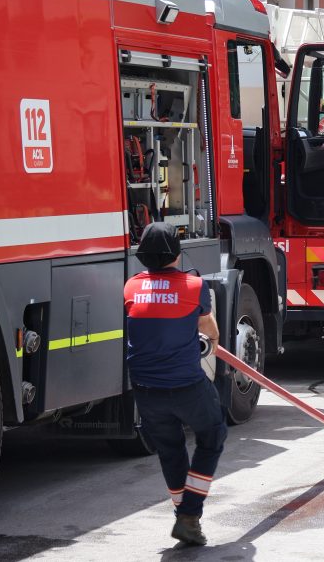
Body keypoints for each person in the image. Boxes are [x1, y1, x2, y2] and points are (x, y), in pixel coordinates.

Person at [123, 222, 225, 547]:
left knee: (170, 450)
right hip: (186, 386)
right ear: (177, 254)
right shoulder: (195, 287)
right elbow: (211, 333)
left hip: (145, 390)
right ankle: (189, 515)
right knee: (212, 435)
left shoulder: (130, 287)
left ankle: (185, 517)